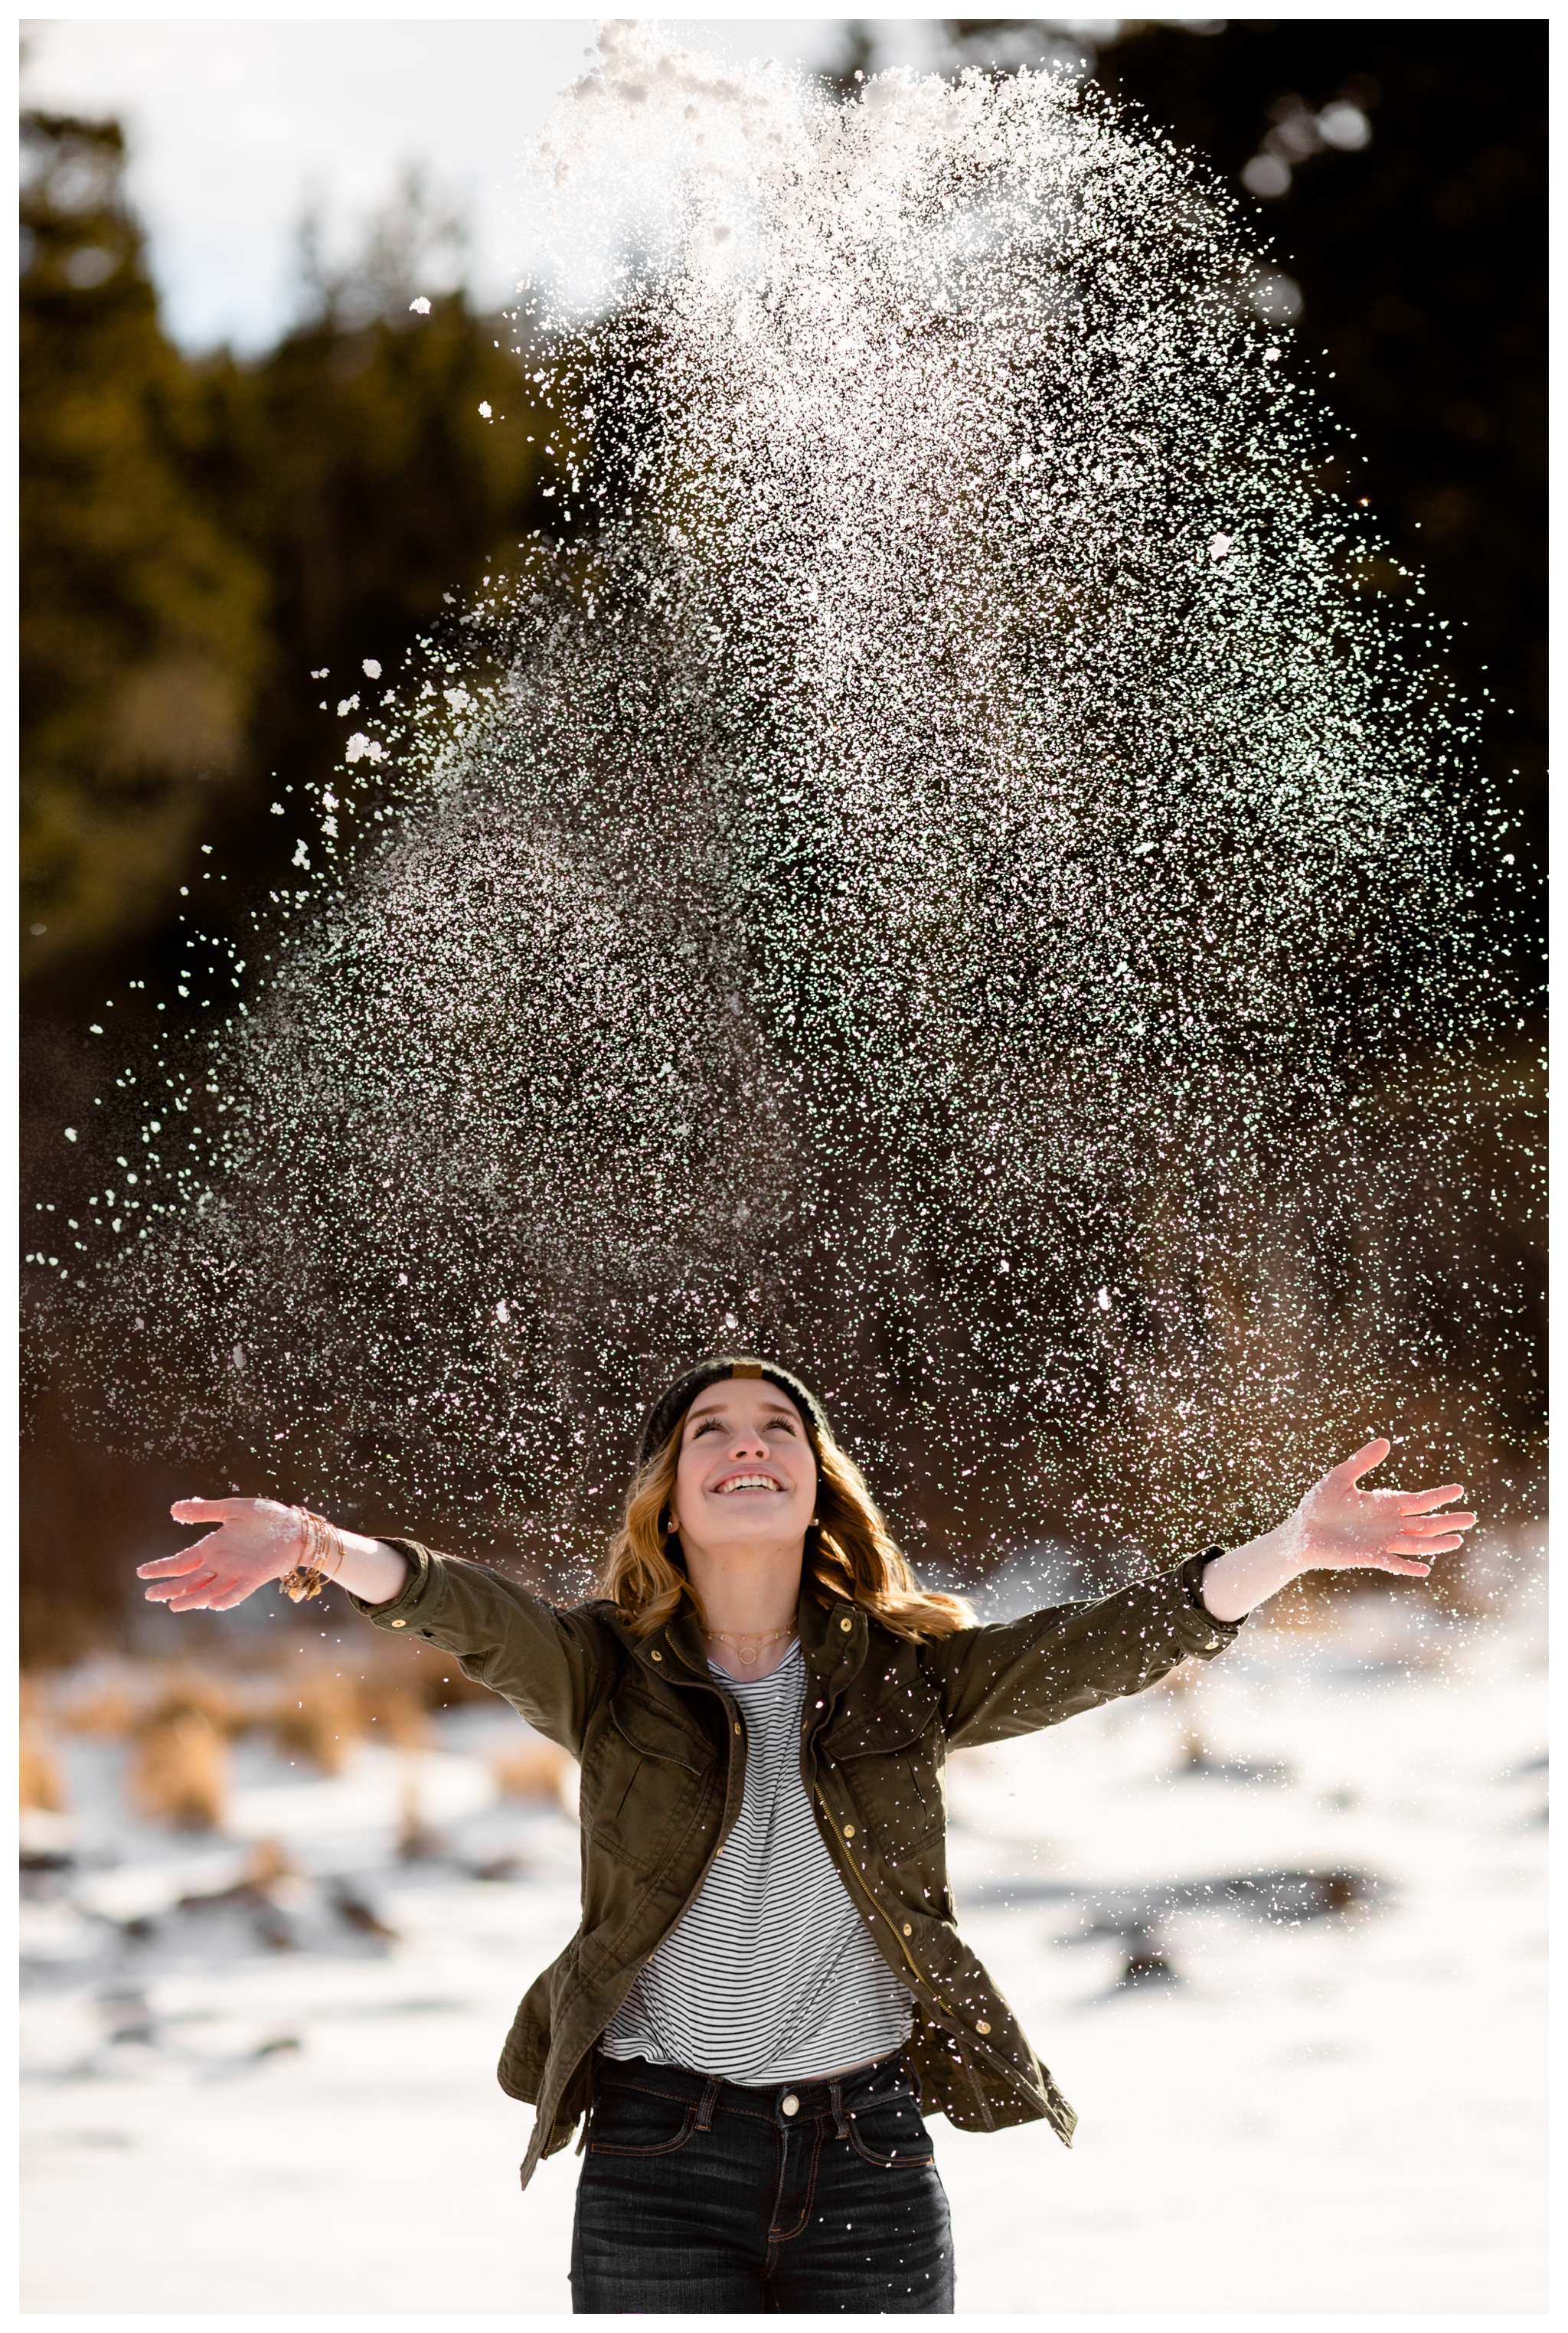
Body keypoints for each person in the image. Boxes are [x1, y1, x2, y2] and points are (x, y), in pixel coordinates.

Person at [138, 1354, 1474, 2315]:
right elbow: (474, 1615)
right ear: (668, 1497)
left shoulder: (900, 1672)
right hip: (662, 2161)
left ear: (817, 1485)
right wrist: (319, 1542)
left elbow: (1100, 1646)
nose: (746, 1443)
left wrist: (1286, 1551)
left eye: (777, 1424)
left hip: (872, 2159)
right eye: (709, 1429)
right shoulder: (606, 1672)